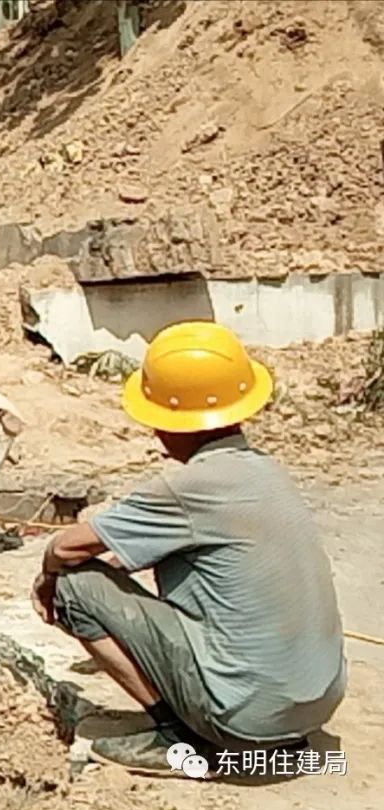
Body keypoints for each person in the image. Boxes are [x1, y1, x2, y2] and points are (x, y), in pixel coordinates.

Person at [31, 321, 346, 773]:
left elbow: (64, 549)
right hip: (315, 706)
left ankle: (179, 738)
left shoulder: (188, 487)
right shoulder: (265, 472)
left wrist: (46, 581)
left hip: (244, 721)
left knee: (74, 587)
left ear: (171, 422)